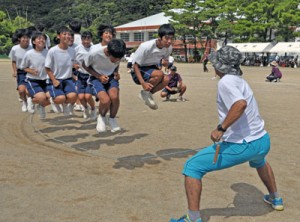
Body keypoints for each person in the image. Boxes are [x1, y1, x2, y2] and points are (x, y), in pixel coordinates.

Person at [170, 45, 284, 222]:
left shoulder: (226, 82)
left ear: (220, 65)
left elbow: (240, 104)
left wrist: (221, 128)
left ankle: (192, 218)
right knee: (260, 160)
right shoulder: (239, 80)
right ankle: (275, 198)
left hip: (244, 145)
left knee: (192, 167)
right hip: (262, 141)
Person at [82, 39, 126, 133]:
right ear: (108, 52)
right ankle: (101, 117)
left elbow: (116, 65)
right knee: (105, 100)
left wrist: (116, 73)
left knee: (114, 97)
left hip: (111, 77)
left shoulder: (118, 53)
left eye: (119, 58)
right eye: (115, 58)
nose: (117, 60)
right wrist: (98, 76)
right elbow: (84, 64)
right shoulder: (94, 53)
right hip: (96, 78)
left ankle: (112, 119)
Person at [131, 23, 175, 110]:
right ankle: (145, 92)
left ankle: (148, 94)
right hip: (138, 70)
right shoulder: (146, 46)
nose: (169, 41)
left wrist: (165, 64)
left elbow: (164, 63)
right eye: (166, 38)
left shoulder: (168, 48)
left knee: (166, 79)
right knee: (159, 74)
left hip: (152, 69)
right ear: (160, 37)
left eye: (171, 38)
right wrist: (143, 83)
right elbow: (135, 65)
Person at [45, 26, 78, 116]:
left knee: (73, 96)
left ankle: (65, 104)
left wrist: (74, 71)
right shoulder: (53, 51)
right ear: (58, 36)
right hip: (55, 79)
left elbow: (71, 64)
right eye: (64, 34)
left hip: (67, 79)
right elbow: (47, 68)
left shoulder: (72, 51)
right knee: (60, 98)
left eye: (69, 34)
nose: (67, 36)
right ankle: (52, 100)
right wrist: (54, 80)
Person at [20, 31, 50, 118]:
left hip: (46, 80)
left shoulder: (49, 52)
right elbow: (23, 67)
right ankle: (31, 100)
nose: (42, 40)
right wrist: (31, 71)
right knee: (42, 97)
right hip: (33, 80)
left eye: (43, 39)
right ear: (33, 42)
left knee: (54, 97)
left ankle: (41, 106)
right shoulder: (29, 54)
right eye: (39, 38)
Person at [9, 28, 33, 112]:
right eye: (24, 37)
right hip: (21, 72)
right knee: (21, 90)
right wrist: (15, 71)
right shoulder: (15, 49)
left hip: (31, 72)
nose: (26, 39)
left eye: (27, 37)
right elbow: (14, 61)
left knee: (28, 90)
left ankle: (30, 103)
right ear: (19, 38)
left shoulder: (33, 48)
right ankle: (24, 102)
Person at [74, 31, 97, 120]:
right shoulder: (77, 49)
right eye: (84, 39)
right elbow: (73, 60)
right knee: (80, 97)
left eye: (88, 39)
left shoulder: (94, 48)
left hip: (90, 76)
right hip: (80, 75)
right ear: (81, 39)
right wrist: (74, 65)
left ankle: (93, 109)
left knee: (87, 96)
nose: (86, 41)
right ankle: (85, 109)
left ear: (91, 39)